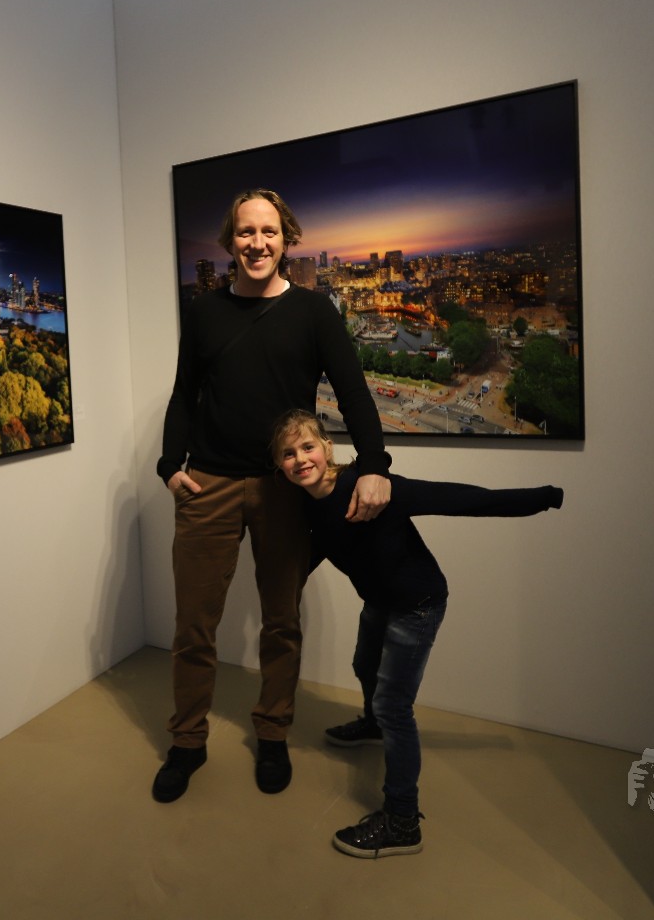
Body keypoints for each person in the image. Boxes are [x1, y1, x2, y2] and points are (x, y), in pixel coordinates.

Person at [152, 189, 392, 804]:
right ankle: (187, 741)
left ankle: (273, 733)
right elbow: (184, 394)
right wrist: (169, 465)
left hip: (285, 489)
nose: (256, 244)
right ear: (229, 241)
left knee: (281, 622)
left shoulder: (313, 311)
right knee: (193, 625)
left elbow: (354, 392)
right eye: (245, 232)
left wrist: (374, 465)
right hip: (207, 483)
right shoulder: (205, 312)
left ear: (286, 239)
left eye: (268, 232)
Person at [268, 408, 563, 858]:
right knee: (364, 665)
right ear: (279, 465)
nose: (300, 459)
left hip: (417, 604)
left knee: (394, 705)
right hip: (379, 600)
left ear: (327, 447)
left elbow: (460, 499)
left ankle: (403, 820)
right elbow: (321, 546)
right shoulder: (307, 506)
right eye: (288, 454)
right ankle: (372, 724)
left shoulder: (369, 488)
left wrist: (543, 497)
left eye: (307, 446)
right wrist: (283, 591)